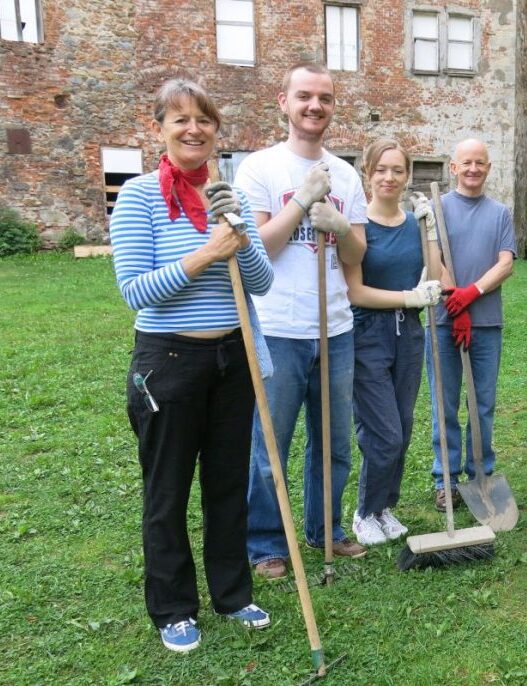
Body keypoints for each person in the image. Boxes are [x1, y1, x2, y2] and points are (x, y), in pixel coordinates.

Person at [111, 77, 274, 652]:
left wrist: (241, 236)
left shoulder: (228, 197)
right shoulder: (137, 197)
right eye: (180, 119)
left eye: (203, 119)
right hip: (169, 360)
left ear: (215, 132)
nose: (193, 129)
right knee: (169, 488)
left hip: (233, 356)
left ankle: (232, 593)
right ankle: (174, 606)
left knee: (228, 482)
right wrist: (208, 252)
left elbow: (260, 283)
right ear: (159, 128)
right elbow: (135, 291)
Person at [233, 62, 368, 579]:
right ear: (283, 102)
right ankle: (266, 542)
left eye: (325, 98)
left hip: (335, 326)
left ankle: (325, 528)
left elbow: (357, 255)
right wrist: (303, 201)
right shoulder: (259, 169)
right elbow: (257, 247)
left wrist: (337, 223)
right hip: (279, 327)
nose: (315, 106)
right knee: (271, 442)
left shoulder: (347, 174)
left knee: (332, 442)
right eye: (305, 96)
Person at [344, 138, 442, 545]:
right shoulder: (357, 225)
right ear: (368, 174)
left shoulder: (413, 222)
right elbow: (355, 292)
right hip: (369, 333)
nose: (389, 177)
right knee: (384, 432)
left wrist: (430, 228)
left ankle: (386, 506)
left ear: (407, 175)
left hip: (410, 334)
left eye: (397, 170)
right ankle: (364, 510)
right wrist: (407, 297)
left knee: (402, 424)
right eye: (381, 169)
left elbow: (435, 276)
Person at [427, 138, 516, 511]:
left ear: (489, 167)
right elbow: (432, 257)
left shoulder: (499, 213)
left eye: (480, 162)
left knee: (482, 405)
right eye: (467, 163)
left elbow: (506, 263)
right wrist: (454, 300)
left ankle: (480, 474)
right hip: (444, 322)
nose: (473, 169)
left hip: (486, 324)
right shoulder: (435, 208)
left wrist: (472, 294)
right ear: (453, 167)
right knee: (444, 404)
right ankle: (444, 479)